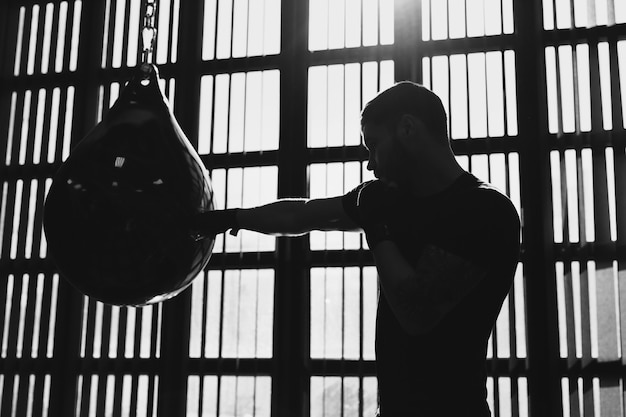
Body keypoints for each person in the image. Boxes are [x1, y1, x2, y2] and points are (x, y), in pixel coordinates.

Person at [193, 81, 521, 416]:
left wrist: (378, 227)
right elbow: (301, 214)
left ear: (408, 128)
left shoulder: (483, 210)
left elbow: (417, 313)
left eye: (374, 145)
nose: (370, 164)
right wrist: (230, 218)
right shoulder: (393, 201)